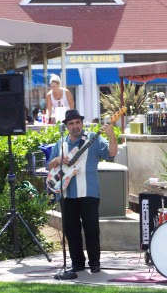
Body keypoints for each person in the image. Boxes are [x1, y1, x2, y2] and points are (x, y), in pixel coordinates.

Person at [48, 109, 117, 273]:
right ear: (66, 126)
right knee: (71, 231)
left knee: (92, 229)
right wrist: (58, 159)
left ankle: (95, 263)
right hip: (67, 194)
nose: (75, 126)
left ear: (82, 123)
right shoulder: (61, 143)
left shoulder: (93, 139)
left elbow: (111, 153)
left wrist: (112, 135)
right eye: (71, 123)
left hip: (89, 192)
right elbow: (49, 165)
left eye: (78, 122)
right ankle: (77, 263)